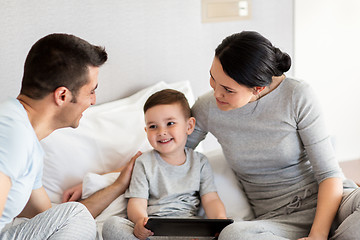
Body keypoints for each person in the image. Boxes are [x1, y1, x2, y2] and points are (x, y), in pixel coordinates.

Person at [186, 31, 360, 240]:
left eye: (228, 89)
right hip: (279, 221)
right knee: (232, 235)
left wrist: (318, 236)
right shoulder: (207, 108)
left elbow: (329, 174)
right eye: (212, 79)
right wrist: (138, 168)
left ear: (258, 88)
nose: (216, 93)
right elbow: (175, 154)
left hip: (333, 204)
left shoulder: (297, 95)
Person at [0, 33, 139, 239]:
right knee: (76, 213)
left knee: (76, 214)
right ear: (62, 95)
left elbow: (51, 218)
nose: (93, 101)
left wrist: (118, 184)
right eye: (91, 91)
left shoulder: (28, 140)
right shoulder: (11, 134)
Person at [102, 89, 227, 240]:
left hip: (188, 229)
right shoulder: (144, 163)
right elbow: (137, 202)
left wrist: (221, 222)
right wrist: (141, 221)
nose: (161, 132)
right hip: (154, 229)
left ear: (189, 126)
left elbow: (211, 199)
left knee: (230, 233)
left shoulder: (200, 162)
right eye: (153, 126)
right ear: (146, 130)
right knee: (113, 225)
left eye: (170, 123)